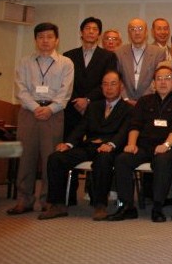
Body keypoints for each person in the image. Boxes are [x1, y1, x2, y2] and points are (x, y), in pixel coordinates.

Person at [38, 70, 132, 220]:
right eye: (105, 84)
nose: (109, 88)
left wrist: (111, 144)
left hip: (111, 148)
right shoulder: (94, 106)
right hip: (89, 146)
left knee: (103, 160)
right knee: (56, 158)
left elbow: (124, 132)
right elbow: (81, 127)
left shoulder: (128, 109)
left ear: (121, 86)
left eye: (113, 84)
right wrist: (68, 144)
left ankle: (100, 205)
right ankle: (57, 205)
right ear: (101, 87)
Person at [106, 66, 172, 222]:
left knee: (162, 160)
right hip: (144, 146)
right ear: (153, 83)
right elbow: (135, 125)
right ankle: (127, 206)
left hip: (170, 147)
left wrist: (166, 145)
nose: (163, 82)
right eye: (159, 79)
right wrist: (131, 144)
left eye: (167, 78)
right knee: (122, 159)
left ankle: (157, 207)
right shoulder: (144, 101)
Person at [8, 23, 74, 215]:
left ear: (57, 40)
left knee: (50, 158)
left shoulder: (66, 63)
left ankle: (47, 200)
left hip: (54, 113)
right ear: (35, 40)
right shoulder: (24, 62)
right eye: (41, 37)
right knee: (26, 157)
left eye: (49, 37)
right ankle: (24, 199)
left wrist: (50, 109)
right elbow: (20, 89)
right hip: (29, 112)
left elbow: (65, 91)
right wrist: (36, 108)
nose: (45, 40)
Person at [62, 17, 118, 140]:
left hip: (97, 107)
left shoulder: (108, 56)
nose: (91, 31)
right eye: (87, 28)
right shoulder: (68, 56)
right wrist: (77, 102)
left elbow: (108, 83)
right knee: (69, 143)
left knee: (93, 145)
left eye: (95, 29)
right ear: (81, 32)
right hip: (72, 108)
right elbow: (65, 83)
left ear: (99, 34)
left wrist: (87, 99)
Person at [115, 18, 166, 105]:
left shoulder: (158, 52)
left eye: (140, 29)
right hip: (125, 102)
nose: (137, 32)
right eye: (133, 29)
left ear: (146, 32)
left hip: (150, 102)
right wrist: (126, 99)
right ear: (128, 33)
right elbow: (117, 79)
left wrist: (143, 100)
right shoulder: (119, 52)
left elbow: (157, 79)